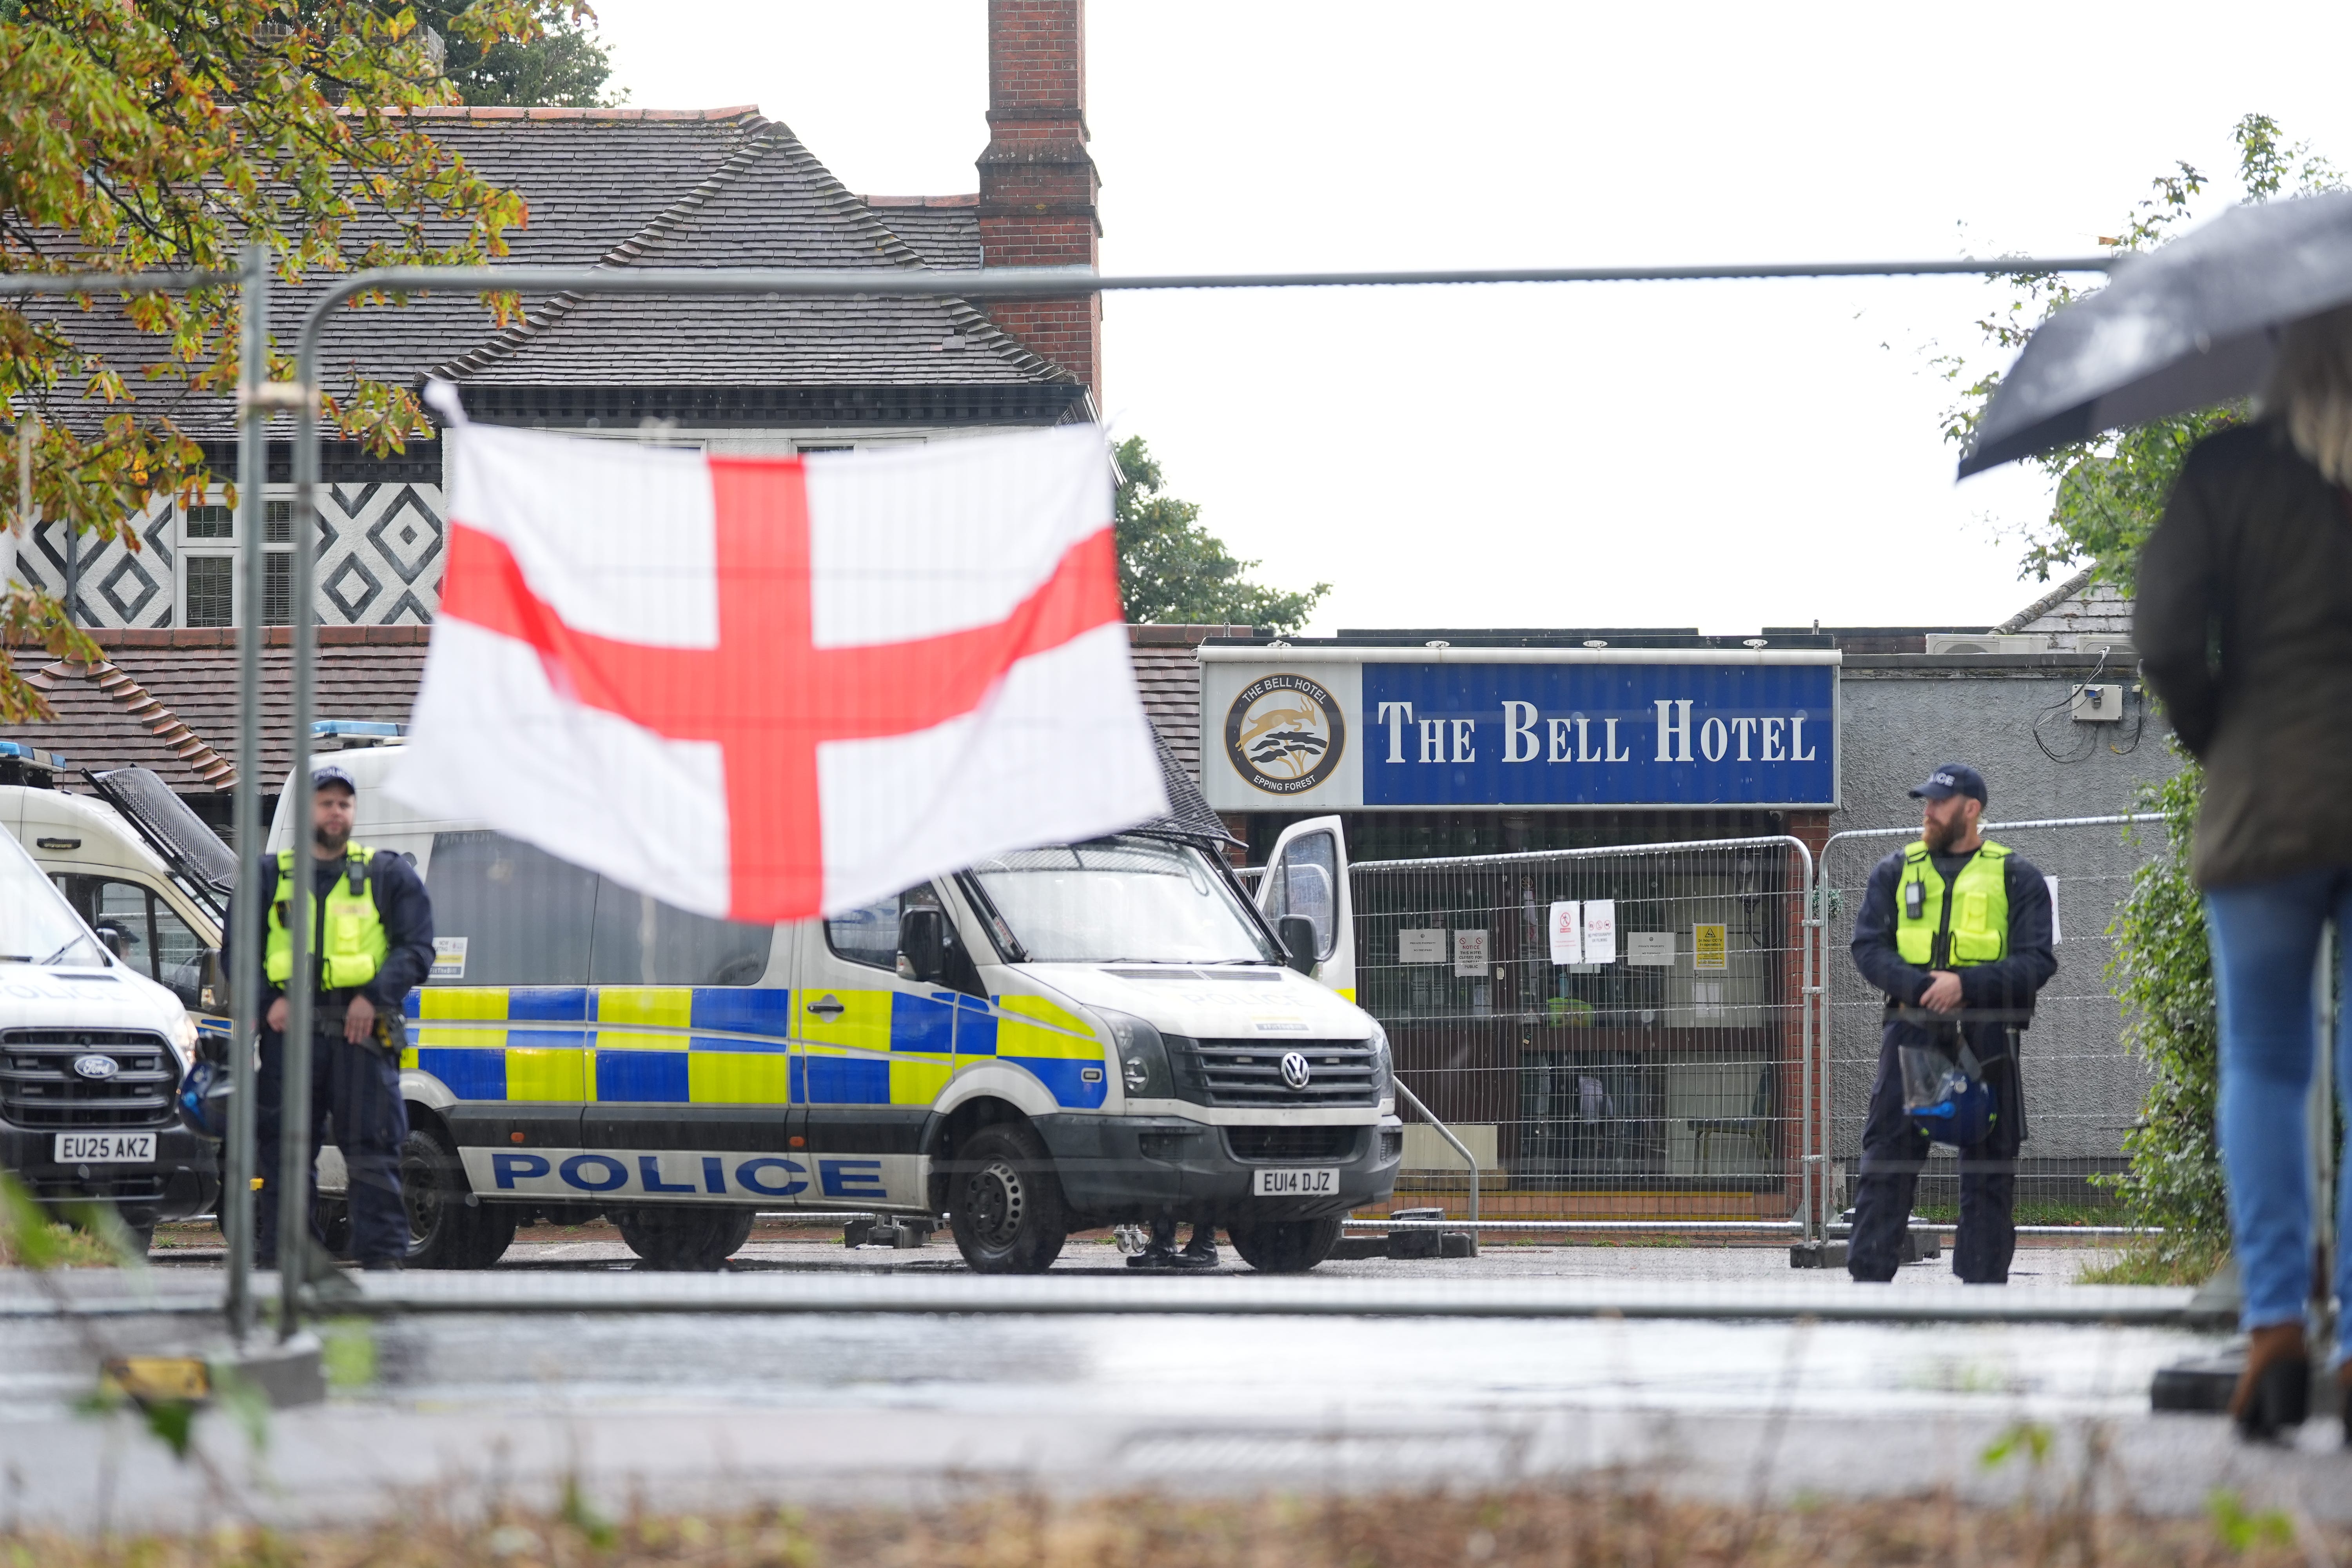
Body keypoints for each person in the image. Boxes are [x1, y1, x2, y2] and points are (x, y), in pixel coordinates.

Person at [2135, 303, 2352, 1443]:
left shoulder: (2227, 468)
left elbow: (2165, 634)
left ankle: (2274, 1330)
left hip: (2264, 804)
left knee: (2265, 1065)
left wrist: (2226, 736)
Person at [1846, 764, 2055, 1285]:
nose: (1928, 811)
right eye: (1926, 802)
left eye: (1940, 802)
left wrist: (1965, 985)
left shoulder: (2016, 876)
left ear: (1971, 809)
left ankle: (1982, 1290)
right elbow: (1868, 947)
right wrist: (1922, 988)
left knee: (1988, 1165)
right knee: (1888, 1158)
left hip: (1987, 1033)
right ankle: (1867, 1284)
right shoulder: (1895, 870)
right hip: (1912, 1028)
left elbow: (2038, 962)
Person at [235, 763, 435, 1272]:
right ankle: (287, 1265)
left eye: (344, 803)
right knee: (285, 1156)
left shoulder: (387, 876)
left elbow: (416, 950)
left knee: (373, 1156)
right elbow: (238, 952)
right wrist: (267, 1002)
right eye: (326, 802)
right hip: (291, 1039)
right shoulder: (266, 877)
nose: (336, 811)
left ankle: (382, 1268)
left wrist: (374, 997)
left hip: (361, 1036)